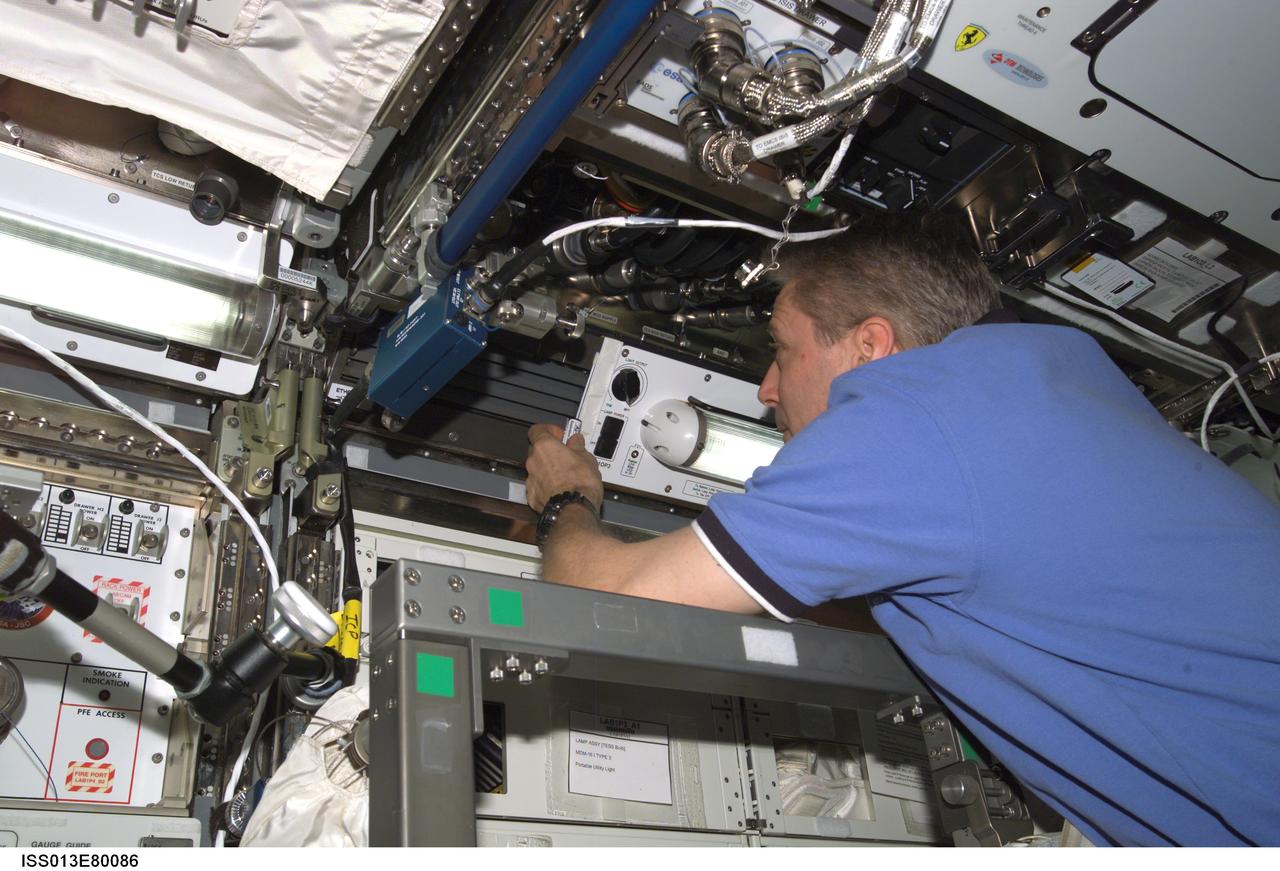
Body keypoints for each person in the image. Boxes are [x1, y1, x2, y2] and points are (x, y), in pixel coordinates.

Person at [523, 213, 1280, 847]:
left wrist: (566, 500)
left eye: (782, 351)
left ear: (871, 347)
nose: (766, 387)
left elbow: (607, 601)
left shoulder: (909, 423)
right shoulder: (1057, 377)